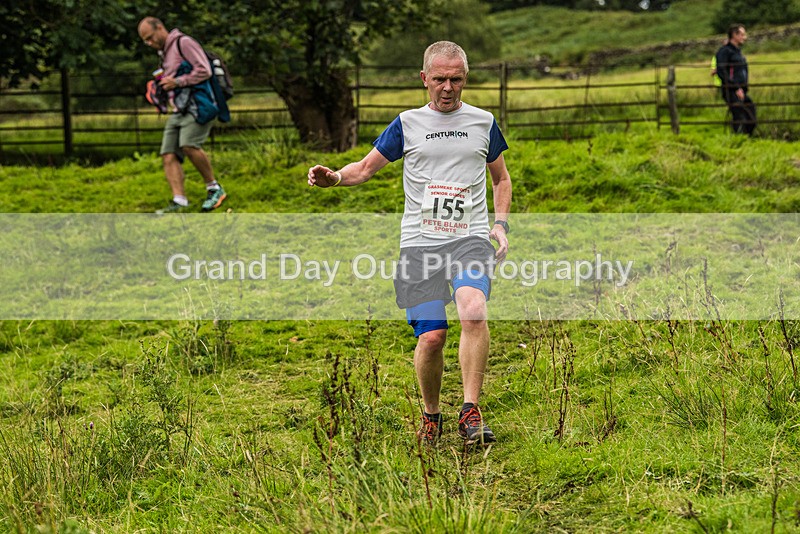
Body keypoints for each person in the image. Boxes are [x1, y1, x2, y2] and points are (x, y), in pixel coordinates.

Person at [308, 41, 512, 446]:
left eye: (456, 79)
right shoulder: (407, 124)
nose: (448, 88)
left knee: (473, 310)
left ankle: (470, 410)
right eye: (440, 79)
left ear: (465, 78)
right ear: (424, 79)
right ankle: (431, 414)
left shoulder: (483, 122)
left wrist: (500, 224)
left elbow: (501, 178)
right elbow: (364, 169)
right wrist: (334, 178)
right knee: (432, 337)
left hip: (469, 239)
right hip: (420, 245)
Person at [138, 17, 228, 213]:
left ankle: (214, 188)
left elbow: (204, 70)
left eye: (150, 38)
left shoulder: (183, 43)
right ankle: (179, 201)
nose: (149, 43)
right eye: (146, 41)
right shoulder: (164, 52)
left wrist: (177, 82)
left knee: (189, 145)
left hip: (198, 105)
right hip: (178, 108)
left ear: (160, 27)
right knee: (168, 153)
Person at [715, 24, 756, 135]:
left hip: (741, 90)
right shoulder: (725, 51)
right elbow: (721, 71)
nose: (745, 37)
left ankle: (747, 138)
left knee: (751, 112)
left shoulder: (737, 51)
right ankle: (739, 140)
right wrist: (736, 88)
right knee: (739, 115)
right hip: (731, 90)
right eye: (742, 34)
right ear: (734, 35)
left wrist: (743, 88)